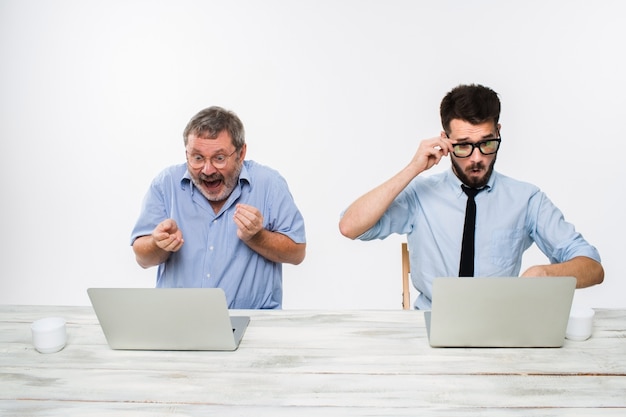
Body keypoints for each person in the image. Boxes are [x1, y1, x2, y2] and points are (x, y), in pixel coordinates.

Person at [339, 84, 604, 310]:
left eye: (487, 143)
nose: (477, 158)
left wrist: (546, 273)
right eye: (464, 145)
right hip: (430, 324)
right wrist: (413, 168)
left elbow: (592, 266)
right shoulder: (420, 195)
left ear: (498, 132)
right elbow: (350, 226)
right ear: (445, 140)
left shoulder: (526, 199)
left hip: (499, 330)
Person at [131, 106, 306, 309]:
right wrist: (157, 243)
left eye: (219, 158)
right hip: (178, 323)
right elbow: (142, 258)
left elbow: (297, 253)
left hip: (253, 325)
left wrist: (257, 237)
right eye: (197, 157)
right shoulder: (165, 184)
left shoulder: (269, 184)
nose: (207, 169)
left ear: (241, 153)